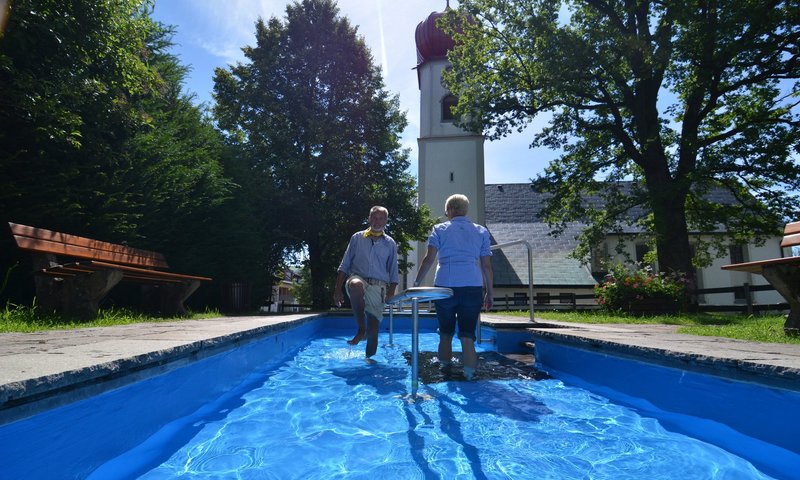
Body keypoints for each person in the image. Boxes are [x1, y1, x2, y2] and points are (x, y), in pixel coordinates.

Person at [413, 194, 493, 380]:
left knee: (445, 333)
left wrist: (417, 283)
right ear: (465, 210)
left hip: (445, 286)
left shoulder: (439, 229)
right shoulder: (481, 231)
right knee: (467, 335)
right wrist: (489, 292)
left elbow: (429, 259)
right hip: (472, 286)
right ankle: (470, 374)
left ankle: (445, 370)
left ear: (449, 210)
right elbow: (487, 266)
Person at [334, 205, 399, 360]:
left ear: (386, 221)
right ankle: (361, 329)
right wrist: (337, 290)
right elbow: (345, 264)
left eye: (381, 218)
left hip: (379, 286)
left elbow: (394, 270)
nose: (377, 221)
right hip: (358, 278)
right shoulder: (357, 237)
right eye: (374, 218)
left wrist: (391, 292)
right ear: (369, 218)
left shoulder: (390, 243)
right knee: (356, 285)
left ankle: (369, 360)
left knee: (374, 332)